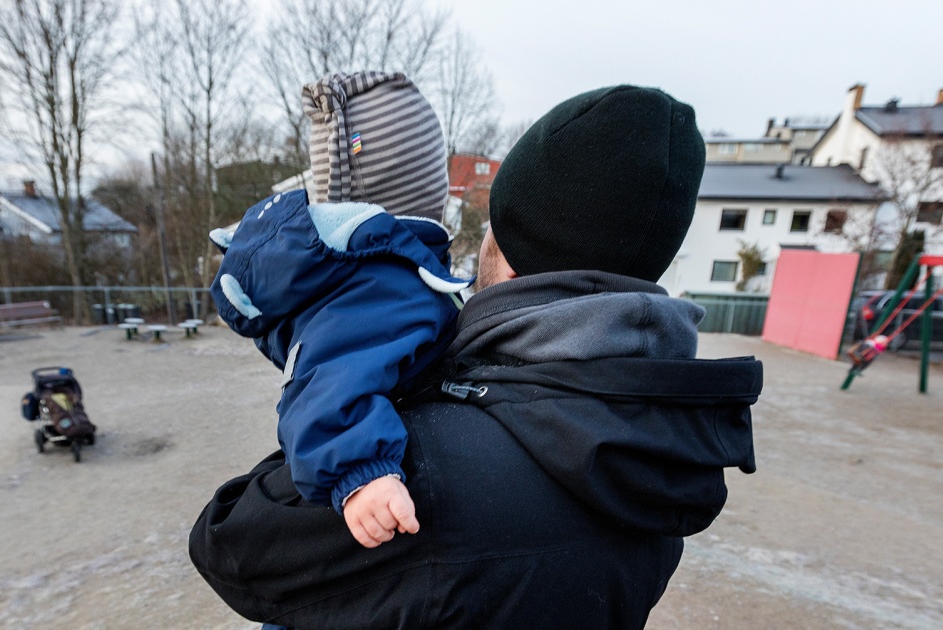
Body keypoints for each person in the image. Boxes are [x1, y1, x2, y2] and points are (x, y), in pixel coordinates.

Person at [190, 84, 762, 629]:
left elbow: (228, 543)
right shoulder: (674, 450)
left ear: (510, 256)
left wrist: (345, 347)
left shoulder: (425, 465)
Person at [208, 71, 470, 548]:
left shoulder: (379, 273)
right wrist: (363, 474)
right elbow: (328, 382)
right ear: (424, 187)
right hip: (371, 494)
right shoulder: (388, 282)